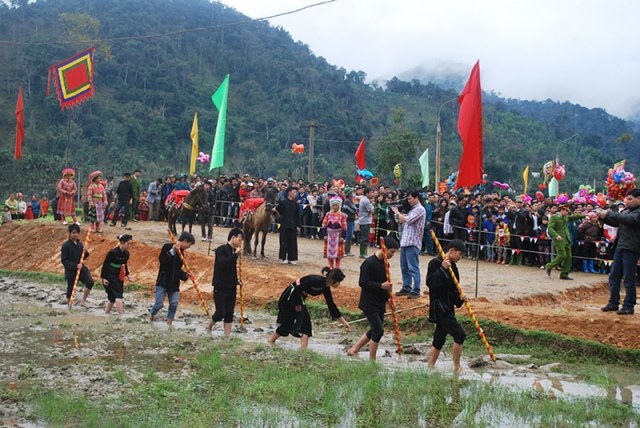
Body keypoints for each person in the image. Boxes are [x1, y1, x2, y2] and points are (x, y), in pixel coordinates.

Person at [346, 236, 400, 360]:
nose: (392, 254)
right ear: (384, 248)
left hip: (380, 302)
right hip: (369, 302)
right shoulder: (369, 263)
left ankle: (354, 349)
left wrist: (390, 299)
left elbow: (386, 285)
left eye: (394, 252)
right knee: (378, 330)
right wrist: (381, 286)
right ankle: (372, 360)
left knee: (376, 328)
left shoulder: (386, 264)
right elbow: (363, 283)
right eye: (391, 251)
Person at [268, 267, 350, 348]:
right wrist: (298, 304)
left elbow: (331, 304)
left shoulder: (325, 287)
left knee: (299, 324)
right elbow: (297, 288)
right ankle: (301, 350)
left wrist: (343, 322)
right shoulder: (316, 280)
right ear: (333, 280)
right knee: (294, 322)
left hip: (298, 299)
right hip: (290, 297)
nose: (339, 284)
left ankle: (271, 341)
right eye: (339, 281)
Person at [425, 239, 467, 373]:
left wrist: (461, 299)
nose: (460, 257)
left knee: (439, 337)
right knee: (459, 334)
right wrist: (442, 268)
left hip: (448, 307)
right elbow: (431, 283)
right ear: (452, 250)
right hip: (439, 307)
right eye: (459, 254)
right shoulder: (435, 263)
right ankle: (457, 367)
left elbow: (454, 290)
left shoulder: (454, 267)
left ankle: (430, 366)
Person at [600, 189, 640, 315]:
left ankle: (629, 305)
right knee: (614, 276)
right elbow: (616, 222)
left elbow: (628, 220)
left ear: (639, 199)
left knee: (628, 278)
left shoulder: (637, 213)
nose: (626, 201)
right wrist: (603, 217)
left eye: (630, 199)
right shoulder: (626, 211)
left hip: (632, 248)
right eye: (626, 198)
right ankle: (613, 302)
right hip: (620, 246)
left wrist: (609, 213)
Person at [149, 232, 195, 325]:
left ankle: (169, 324)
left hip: (174, 283)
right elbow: (162, 260)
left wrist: (185, 275)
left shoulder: (181, 253)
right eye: (189, 245)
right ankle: (151, 317)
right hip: (163, 281)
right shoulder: (167, 247)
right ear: (185, 241)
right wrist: (172, 251)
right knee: (159, 304)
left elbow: (177, 270)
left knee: (174, 304)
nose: (188, 247)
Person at [207, 228, 244, 336]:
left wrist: (237, 281)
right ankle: (209, 326)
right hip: (220, 286)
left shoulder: (234, 252)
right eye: (240, 239)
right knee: (220, 312)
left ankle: (227, 335)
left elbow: (231, 270)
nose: (241, 242)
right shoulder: (221, 250)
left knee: (229, 313)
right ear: (233, 237)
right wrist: (235, 255)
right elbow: (223, 264)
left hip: (231, 287)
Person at [393, 190, 426, 299]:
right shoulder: (412, 209)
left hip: (413, 242)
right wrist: (397, 214)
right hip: (405, 241)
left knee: (413, 267)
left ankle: (416, 289)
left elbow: (406, 220)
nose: (408, 201)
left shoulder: (420, 209)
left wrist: (397, 212)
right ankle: (406, 287)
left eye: (410, 198)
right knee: (404, 267)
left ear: (416, 198)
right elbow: (400, 221)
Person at [545, 205, 585, 280]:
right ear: (562, 210)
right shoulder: (554, 217)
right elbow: (550, 228)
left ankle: (564, 274)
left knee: (568, 257)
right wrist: (556, 235)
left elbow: (573, 217)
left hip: (566, 239)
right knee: (562, 255)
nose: (568, 212)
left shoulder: (565, 217)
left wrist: (584, 215)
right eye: (566, 211)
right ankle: (549, 266)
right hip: (559, 240)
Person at [60, 224, 95, 305]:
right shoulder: (66, 245)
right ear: (69, 233)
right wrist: (75, 266)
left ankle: (83, 301)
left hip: (81, 269)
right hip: (71, 271)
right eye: (73, 232)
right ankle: (69, 306)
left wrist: (85, 251)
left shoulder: (80, 244)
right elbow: (64, 261)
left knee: (90, 282)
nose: (75, 234)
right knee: (71, 289)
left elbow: (83, 257)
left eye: (77, 233)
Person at [100, 234, 134, 316]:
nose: (129, 246)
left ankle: (106, 314)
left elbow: (124, 264)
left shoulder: (126, 254)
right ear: (122, 243)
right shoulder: (112, 252)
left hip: (119, 275)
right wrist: (103, 278)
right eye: (128, 244)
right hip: (110, 275)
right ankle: (121, 316)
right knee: (118, 295)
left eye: (130, 244)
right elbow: (105, 265)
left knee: (112, 298)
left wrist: (128, 274)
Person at [276, 187, 300, 264]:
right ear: (289, 193)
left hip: (293, 225)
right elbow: (277, 211)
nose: (295, 194)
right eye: (294, 192)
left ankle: (292, 258)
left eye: (295, 192)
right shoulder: (283, 202)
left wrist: (298, 225)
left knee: (292, 242)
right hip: (284, 225)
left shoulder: (296, 204)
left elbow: (298, 216)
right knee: (283, 241)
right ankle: (283, 258)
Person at [322, 196, 348, 269]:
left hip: (338, 235)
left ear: (339, 206)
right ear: (331, 205)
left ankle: (337, 266)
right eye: (333, 205)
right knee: (329, 252)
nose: (335, 206)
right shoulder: (328, 214)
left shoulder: (342, 215)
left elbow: (344, 226)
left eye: (336, 205)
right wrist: (325, 235)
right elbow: (324, 225)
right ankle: (330, 266)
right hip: (329, 235)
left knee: (338, 253)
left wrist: (343, 236)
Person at [358, 188, 374, 258]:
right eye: (371, 192)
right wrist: (372, 204)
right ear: (367, 193)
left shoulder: (364, 199)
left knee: (364, 237)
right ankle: (363, 253)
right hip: (365, 221)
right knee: (365, 237)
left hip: (364, 220)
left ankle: (363, 252)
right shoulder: (366, 201)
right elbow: (372, 211)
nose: (372, 194)